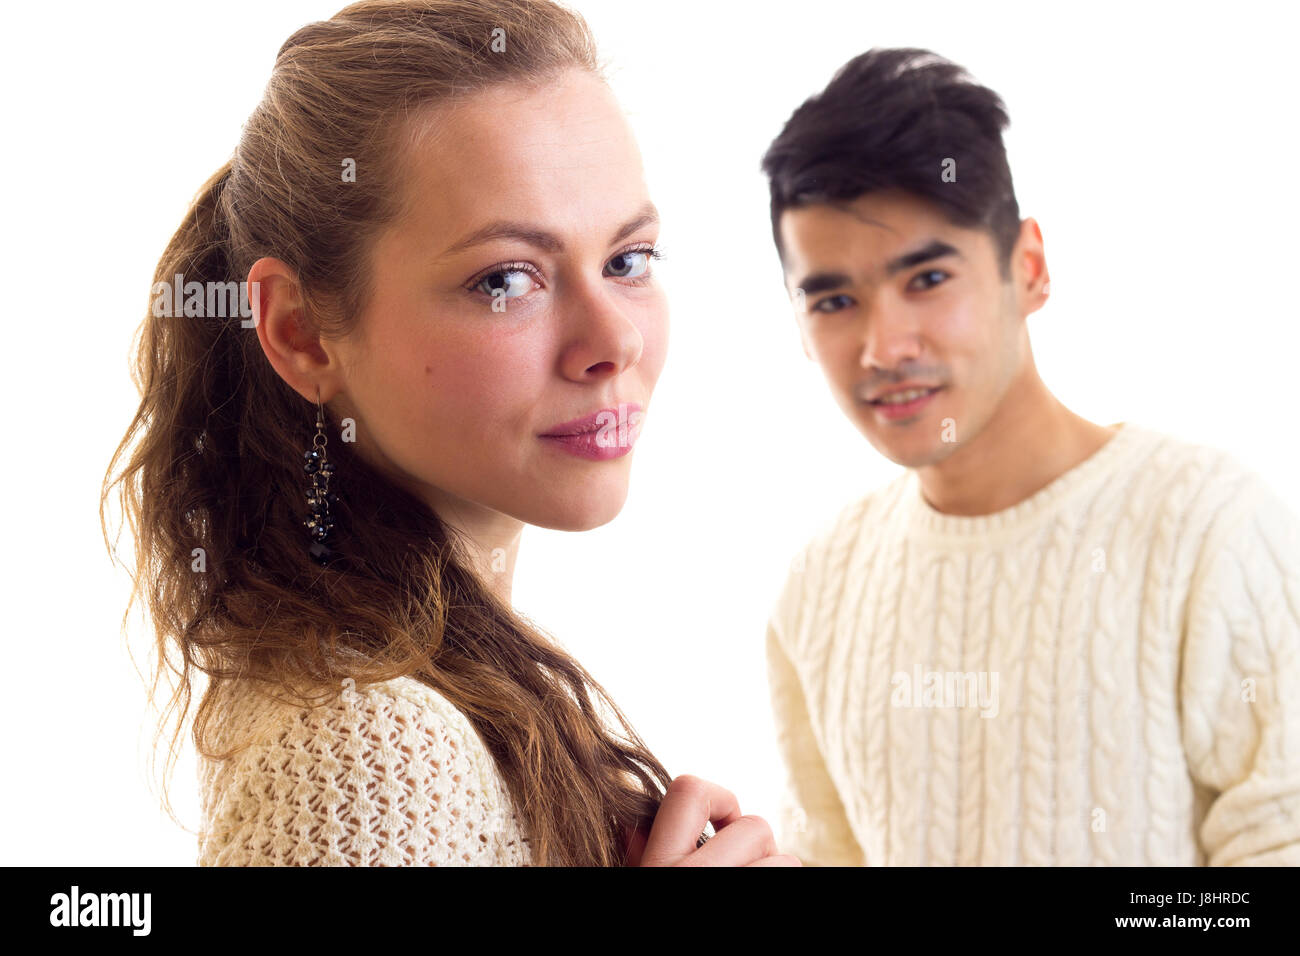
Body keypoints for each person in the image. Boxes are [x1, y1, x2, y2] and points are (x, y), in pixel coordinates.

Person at [101, 0, 796, 868]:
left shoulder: (437, 696)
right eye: (508, 279)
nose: (614, 339)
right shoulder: (368, 748)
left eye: (628, 260)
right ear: (302, 332)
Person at [759, 47, 1300, 866]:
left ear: (1030, 268)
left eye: (928, 278)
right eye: (834, 300)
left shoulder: (1211, 529)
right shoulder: (819, 586)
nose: (883, 346)